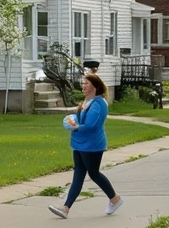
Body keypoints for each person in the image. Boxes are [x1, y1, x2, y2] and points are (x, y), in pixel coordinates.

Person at [49, 71, 123, 219]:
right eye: (83, 83)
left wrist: (76, 127)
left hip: (92, 145)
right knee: (79, 175)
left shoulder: (99, 103)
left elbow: (91, 125)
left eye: (86, 83)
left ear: (95, 86)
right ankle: (65, 208)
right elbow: (80, 119)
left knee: (94, 173)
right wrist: (71, 120)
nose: (83, 85)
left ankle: (115, 198)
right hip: (79, 143)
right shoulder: (85, 102)